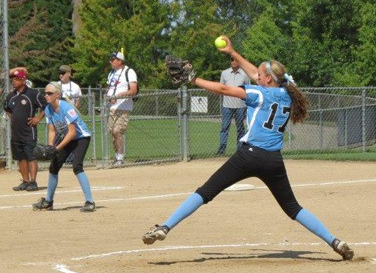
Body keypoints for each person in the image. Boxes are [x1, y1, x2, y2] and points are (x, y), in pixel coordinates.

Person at [142, 35, 354, 261]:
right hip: (273, 160)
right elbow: (257, 72)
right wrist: (232, 52)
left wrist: (194, 79)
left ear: (268, 80)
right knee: (293, 208)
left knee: (205, 192)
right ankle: (335, 241)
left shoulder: (259, 94)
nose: (256, 77)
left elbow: (224, 89)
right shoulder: (288, 90)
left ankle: (165, 227)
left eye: (260, 76)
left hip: (248, 156)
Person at [32, 82, 96, 212]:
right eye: (45, 93)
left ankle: (90, 202)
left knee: (77, 166)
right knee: (54, 166)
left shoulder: (66, 108)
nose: (46, 95)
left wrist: (57, 148)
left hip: (81, 138)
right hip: (68, 138)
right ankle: (48, 201)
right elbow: (52, 131)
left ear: (57, 95)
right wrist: (51, 147)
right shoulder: (48, 109)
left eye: (49, 93)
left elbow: (72, 132)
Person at [4, 68, 46, 191]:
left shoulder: (33, 94)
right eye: (13, 79)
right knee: (20, 157)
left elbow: (46, 106)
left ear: (23, 80)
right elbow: (7, 108)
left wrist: (38, 118)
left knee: (30, 156)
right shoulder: (11, 96)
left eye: (16, 79)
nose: (14, 81)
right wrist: (15, 119)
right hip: (16, 132)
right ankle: (25, 181)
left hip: (29, 131)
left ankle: (33, 182)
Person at [106, 52, 139, 167]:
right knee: (113, 133)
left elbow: (133, 90)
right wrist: (110, 98)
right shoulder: (111, 73)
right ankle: (117, 156)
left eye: (113, 59)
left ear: (120, 61)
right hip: (112, 108)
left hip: (123, 108)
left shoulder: (129, 72)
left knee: (117, 131)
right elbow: (109, 89)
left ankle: (120, 158)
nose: (111, 61)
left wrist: (119, 95)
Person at [217, 56, 250, 155]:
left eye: (235, 60)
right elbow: (221, 88)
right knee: (224, 128)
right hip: (227, 106)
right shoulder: (224, 73)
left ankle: (239, 150)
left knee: (240, 129)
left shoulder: (245, 74)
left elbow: (247, 90)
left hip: (240, 106)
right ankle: (221, 150)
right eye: (232, 60)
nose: (233, 61)